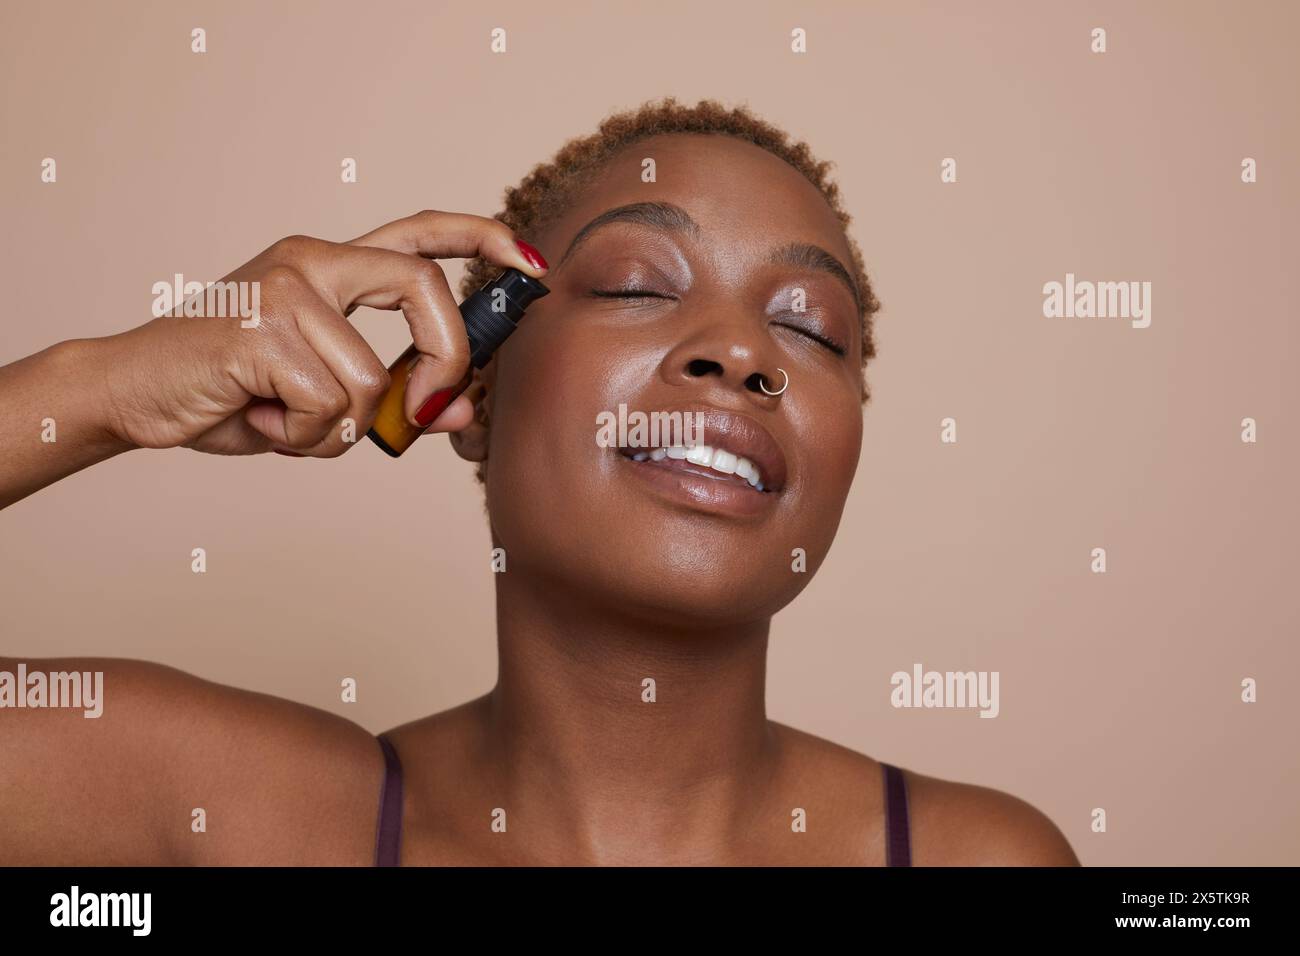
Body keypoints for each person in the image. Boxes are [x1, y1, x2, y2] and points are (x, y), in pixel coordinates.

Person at [0, 97, 1079, 866]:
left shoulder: (978, 855)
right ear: (469, 392)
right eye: (634, 285)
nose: (740, 352)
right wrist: (100, 385)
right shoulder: (247, 817)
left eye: (809, 328)